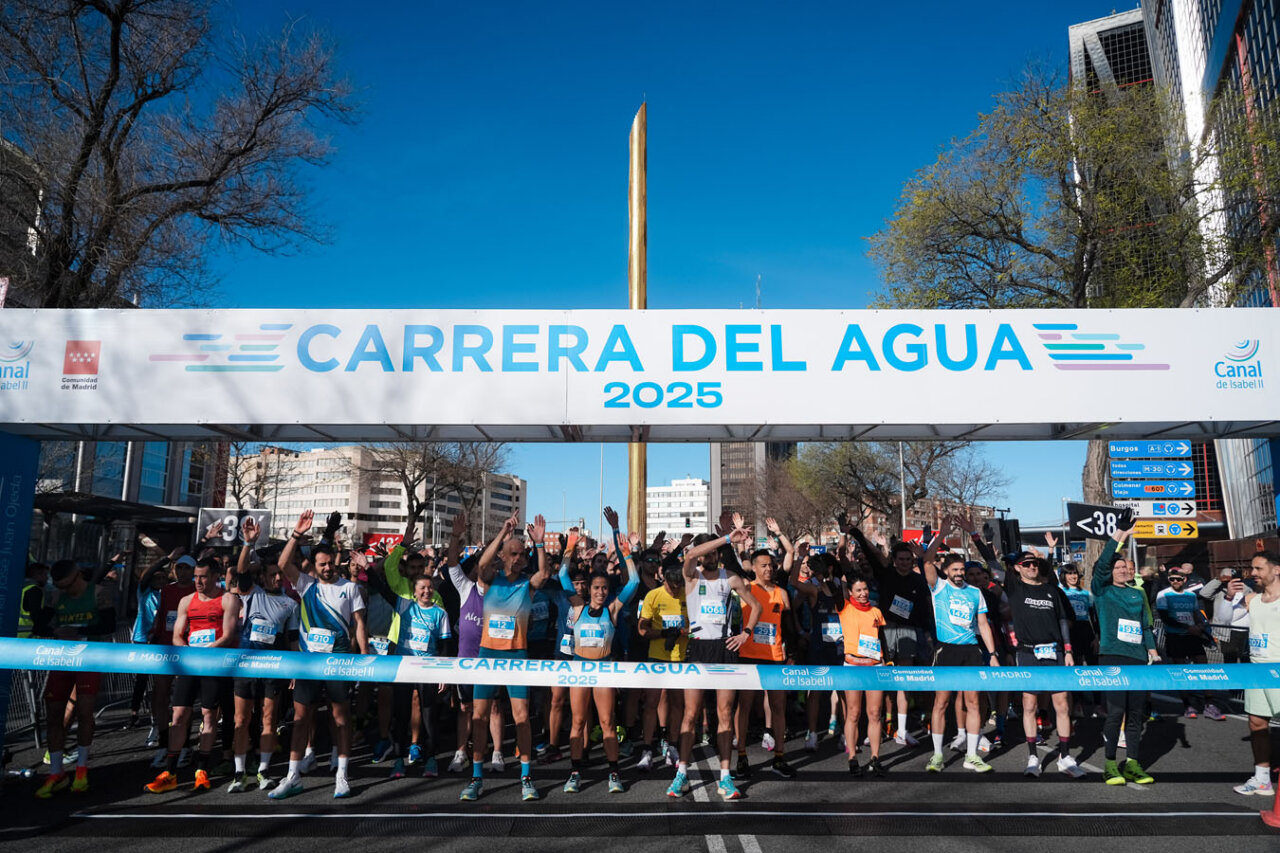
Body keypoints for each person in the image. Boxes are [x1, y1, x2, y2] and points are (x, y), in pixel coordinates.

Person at [270, 510, 369, 800]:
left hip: (338, 662)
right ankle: (292, 776)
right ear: (314, 566)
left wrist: (363, 657)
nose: (327, 568)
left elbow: (360, 625)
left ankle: (342, 774)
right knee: (301, 720)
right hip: (309, 664)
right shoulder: (307, 586)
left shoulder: (350, 588)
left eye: (330, 564)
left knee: (340, 719)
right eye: (322, 564)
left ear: (336, 562)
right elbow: (282, 563)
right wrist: (297, 534)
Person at [459, 512, 554, 803]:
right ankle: (476, 778)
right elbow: (482, 564)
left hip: (517, 655)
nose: (517, 558)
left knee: (522, 717)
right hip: (488, 655)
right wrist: (503, 533)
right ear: (503, 554)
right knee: (479, 716)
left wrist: (539, 546)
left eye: (520, 554)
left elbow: (544, 574)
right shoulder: (491, 580)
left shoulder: (526, 583)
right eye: (512, 554)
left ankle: (526, 778)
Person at [667, 521, 759, 801]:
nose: (707, 558)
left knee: (725, 714)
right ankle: (681, 772)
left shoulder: (729, 577)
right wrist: (727, 538)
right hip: (698, 649)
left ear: (719, 556)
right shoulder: (691, 576)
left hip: (724, 650)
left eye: (712, 554)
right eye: (705, 553)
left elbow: (756, 606)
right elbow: (691, 555)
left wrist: (745, 633)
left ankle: (725, 777)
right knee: (690, 714)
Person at [560, 506, 640, 794]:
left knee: (607, 722)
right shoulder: (578, 607)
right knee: (578, 722)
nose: (600, 592)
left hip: (604, 670)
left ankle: (614, 773)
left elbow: (634, 582)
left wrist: (623, 544)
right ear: (589, 589)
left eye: (604, 588)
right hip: (580, 669)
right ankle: (575, 771)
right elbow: (562, 576)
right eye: (596, 588)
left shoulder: (614, 610)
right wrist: (569, 548)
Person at [145, 557, 242, 794]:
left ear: (214, 576)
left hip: (214, 665)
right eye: (196, 576)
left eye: (203, 577)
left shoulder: (228, 599)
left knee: (209, 716)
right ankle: (170, 772)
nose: (198, 581)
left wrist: (205, 654)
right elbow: (177, 634)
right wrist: (186, 651)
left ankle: (202, 770)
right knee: (178, 715)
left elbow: (228, 635)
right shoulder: (186, 600)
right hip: (191, 664)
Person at [227, 517, 299, 792]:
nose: (277, 578)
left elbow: (292, 640)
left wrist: (292, 669)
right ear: (262, 577)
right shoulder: (251, 592)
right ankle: (239, 772)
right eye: (272, 574)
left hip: (272, 667)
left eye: (279, 574)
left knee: (269, 719)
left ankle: (264, 771)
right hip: (245, 665)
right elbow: (241, 570)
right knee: (241, 720)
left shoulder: (290, 603)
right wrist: (248, 542)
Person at [32, 560, 115, 798]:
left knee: (84, 713)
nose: (66, 591)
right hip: (61, 660)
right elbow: (40, 625)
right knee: (54, 714)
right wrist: (55, 631)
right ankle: (57, 772)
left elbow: (109, 624)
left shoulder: (98, 593)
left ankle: (81, 769)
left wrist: (79, 631)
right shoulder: (56, 597)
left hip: (89, 658)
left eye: (68, 585)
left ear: (78, 576)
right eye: (61, 587)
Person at [847, 518, 932, 746]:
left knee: (903, 681)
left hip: (908, 632)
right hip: (883, 631)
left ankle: (902, 730)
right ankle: (879, 727)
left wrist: (926, 632)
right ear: (893, 560)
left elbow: (925, 607)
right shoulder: (885, 574)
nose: (904, 562)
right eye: (900, 559)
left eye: (908, 559)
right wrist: (856, 533)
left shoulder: (918, 580)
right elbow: (871, 552)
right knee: (880, 681)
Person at [1001, 552, 1086, 778]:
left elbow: (1062, 621)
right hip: (1028, 652)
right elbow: (994, 564)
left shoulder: (1052, 590)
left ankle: (1065, 756)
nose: (1031, 567)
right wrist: (975, 536)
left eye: (1035, 563)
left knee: (1062, 705)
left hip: (1055, 651)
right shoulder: (1015, 588)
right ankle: (1032, 756)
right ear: (1017, 568)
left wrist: (1068, 650)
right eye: (1026, 564)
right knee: (1029, 705)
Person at [1091, 512, 1159, 786]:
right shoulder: (1103, 590)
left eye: (1125, 567)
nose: (1121, 569)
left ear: (1131, 571)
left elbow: (1145, 626)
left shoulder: (1137, 593)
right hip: (1113, 655)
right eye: (1117, 567)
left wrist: (1152, 652)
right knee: (1116, 711)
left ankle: (1132, 762)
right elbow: (1104, 562)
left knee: (1136, 714)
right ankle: (1109, 763)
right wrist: (1119, 534)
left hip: (1138, 658)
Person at [922, 543, 1000, 774]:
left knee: (974, 702)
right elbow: (927, 562)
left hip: (971, 650)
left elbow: (983, 625)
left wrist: (993, 654)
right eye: (954, 570)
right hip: (946, 650)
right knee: (941, 702)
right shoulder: (939, 587)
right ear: (946, 571)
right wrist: (942, 535)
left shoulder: (975, 592)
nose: (958, 573)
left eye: (961, 570)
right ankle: (937, 755)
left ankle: (972, 756)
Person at [735, 547, 798, 779]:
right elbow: (731, 565)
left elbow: (789, 625)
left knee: (778, 707)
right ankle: (741, 756)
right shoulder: (745, 589)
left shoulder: (781, 592)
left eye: (771, 565)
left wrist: (792, 653)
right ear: (753, 567)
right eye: (763, 565)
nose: (769, 569)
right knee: (745, 706)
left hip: (775, 658)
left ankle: (779, 757)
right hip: (749, 656)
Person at [636, 547, 690, 771]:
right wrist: (662, 634)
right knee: (652, 703)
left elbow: (698, 628)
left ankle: (673, 745)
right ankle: (647, 748)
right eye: (671, 587)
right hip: (657, 656)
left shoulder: (689, 594)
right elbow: (641, 629)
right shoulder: (653, 595)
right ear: (664, 579)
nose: (675, 591)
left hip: (680, 657)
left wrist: (682, 632)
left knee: (678, 703)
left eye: (679, 587)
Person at [1233, 550, 1280, 796]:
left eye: (1259, 569)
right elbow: (1228, 620)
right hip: (1256, 669)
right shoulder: (1252, 599)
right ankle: (1262, 778)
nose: (1253, 573)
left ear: (1276, 569)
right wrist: (1233, 599)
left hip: (1278, 670)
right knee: (1257, 722)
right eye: (1252, 569)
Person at [836, 573, 887, 776]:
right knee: (853, 713)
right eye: (858, 590)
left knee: (874, 713)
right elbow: (837, 588)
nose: (863, 593)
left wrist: (887, 660)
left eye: (865, 589)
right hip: (853, 666)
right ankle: (852, 758)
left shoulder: (876, 611)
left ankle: (875, 758)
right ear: (850, 593)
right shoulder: (845, 608)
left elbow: (881, 637)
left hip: (875, 666)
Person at [1156, 567, 1220, 719]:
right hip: (1175, 636)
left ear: (1184, 579)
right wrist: (1188, 627)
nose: (1175, 582)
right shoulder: (1163, 594)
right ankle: (1187, 705)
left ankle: (1209, 704)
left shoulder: (1190, 595)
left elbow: (1196, 613)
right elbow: (1165, 617)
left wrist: (1200, 626)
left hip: (1192, 636)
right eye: (1172, 579)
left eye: (1178, 579)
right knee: (1181, 671)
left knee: (1204, 669)